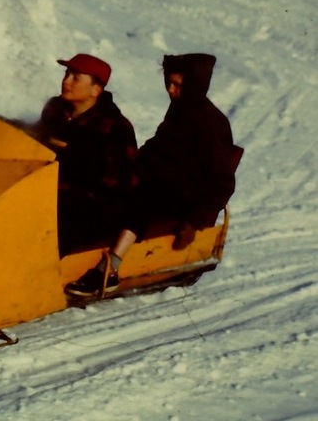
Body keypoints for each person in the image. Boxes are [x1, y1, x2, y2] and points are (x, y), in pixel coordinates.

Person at [65, 53, 242, 297]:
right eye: (168, 83)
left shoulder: (212, 124)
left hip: (185, 198)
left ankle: (110, 268)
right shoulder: (179, 110)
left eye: (177, 85)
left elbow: (222, 182)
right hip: (159, 182)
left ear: (194, 86)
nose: (170, 90)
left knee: (141, 198)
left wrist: (195, 221)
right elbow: (159, 145)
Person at [36, 54, 138, 255]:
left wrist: (74, 155)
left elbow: (118, 184)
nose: (66, 81)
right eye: (67, 74)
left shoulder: (115, 127)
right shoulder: (55, 108)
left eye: (76, 77)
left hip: (88, 208)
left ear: (96, 90)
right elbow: (37, 136)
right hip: (44, 190)